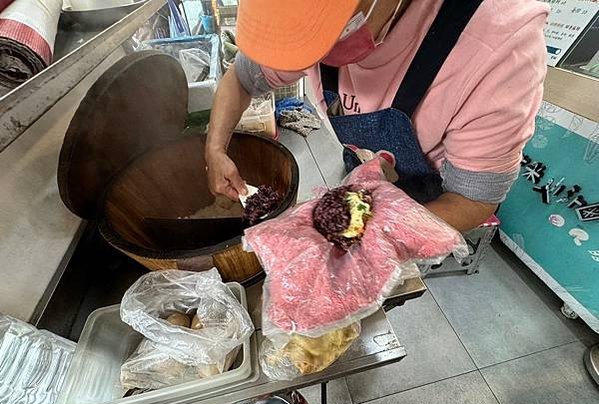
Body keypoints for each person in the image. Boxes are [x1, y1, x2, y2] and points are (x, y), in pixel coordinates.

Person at [205, 0, 549, 231]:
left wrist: (375, 238)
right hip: (363, 169)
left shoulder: (500, 50)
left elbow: (473, 200)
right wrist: (215, 150)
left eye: (322, 38)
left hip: (431, 203)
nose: (308, 60)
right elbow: (239, 79)